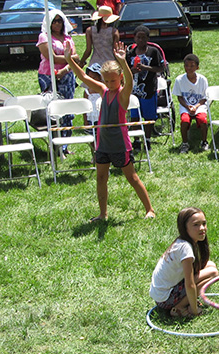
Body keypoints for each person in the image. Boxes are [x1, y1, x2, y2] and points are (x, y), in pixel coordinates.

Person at [64, 40, 156, 221]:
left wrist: (122, 62)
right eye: (106, 80)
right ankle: (103, 213)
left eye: (113, 80)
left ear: (120, 78)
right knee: (100, 178)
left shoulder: (123, 93)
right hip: (103, 144)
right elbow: (83, 76)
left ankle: (150, 209)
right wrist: (69, 60)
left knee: (132, 178)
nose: (109, 83)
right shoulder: (103, 90)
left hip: (120, 144)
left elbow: (129, 80)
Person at [149, 207, 219, 318]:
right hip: (165, 299)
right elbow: (190, 284)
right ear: (185, 228)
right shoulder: (185, 248)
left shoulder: (183, 242)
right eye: (196, 225)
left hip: (162, 293)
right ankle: (179, 307)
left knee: (211, 265)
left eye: (204, 223)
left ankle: (185, 302)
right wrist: (195, 310)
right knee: (213, 273)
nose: (202, 228)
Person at [37, 10, 79, 148]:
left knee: (67, 108)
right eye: (54, 21)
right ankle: (54, 145)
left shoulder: (68, 38)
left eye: (59, 21)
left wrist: (65, 69)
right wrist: (70, 58)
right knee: (53, 109)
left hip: (67, 74)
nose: (57, 24)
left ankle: (65, 145)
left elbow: (76, 58)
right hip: (48, 75)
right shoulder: (44, 37)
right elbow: (52, 57)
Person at [126, 25, 165, 144]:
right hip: (134, 90)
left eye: (144, 37)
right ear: (134, 38)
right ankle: (136, 140)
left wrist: (145, 68)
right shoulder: (130, 53)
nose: (141, 40)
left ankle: (147, 139)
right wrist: (133, 71)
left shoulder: (153, 52)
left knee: (148, 117)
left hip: (148, 89)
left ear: (148, 38)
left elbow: (160, 68)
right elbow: (125, 70)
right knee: (134, 116)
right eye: (138, 37)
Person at [173, 53, 209, 154]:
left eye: (192, 66)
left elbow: (204, 98)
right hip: (185, 106)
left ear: (197, 67)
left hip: (199, 105)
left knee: (202, 120)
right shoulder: (179, 80)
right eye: (186, 65)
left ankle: (204, 141)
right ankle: (185, 143)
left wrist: (196, 106)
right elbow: (179, 97)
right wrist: (187, 106)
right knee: (184, 121)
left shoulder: (202, 80)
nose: (189, 68)